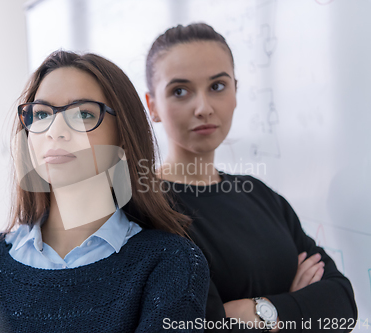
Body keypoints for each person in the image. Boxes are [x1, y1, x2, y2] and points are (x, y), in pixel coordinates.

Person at [0, 50, 210, 333]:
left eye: (83, 114)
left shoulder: (169, 263)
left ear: (124, 139)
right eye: (42, 114)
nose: (55, 131)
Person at [145, 23, 357, 332]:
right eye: (180, 91)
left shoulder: (258, 194)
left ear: (235, 91)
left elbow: (342, 304)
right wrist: (296, 306)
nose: (203, 107)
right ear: (153, 107)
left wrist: (261, 311)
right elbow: (206, 326)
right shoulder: (149, 211)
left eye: (217, 86)